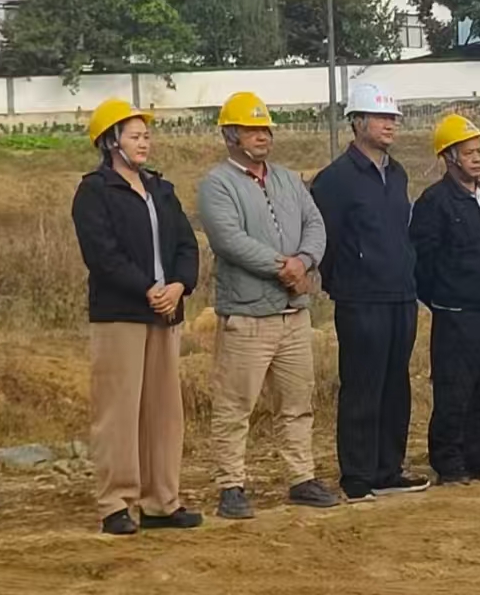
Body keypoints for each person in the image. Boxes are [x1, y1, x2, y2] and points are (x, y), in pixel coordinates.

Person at [194, 91, 340, 520]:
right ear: (230, 135)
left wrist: (306, 261)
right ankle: (231, 486)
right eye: (252, 129)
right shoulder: (218, 184)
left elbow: (315, 223)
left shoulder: (286, 179)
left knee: (297, 402)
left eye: (265, 128)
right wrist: (284, 267)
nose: (262, 136)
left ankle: (301, 478)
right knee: (235, 405)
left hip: (293, 315)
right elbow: (228, 240)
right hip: (248, 314)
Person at [70, 99, 203, 536]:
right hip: (121, 314)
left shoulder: (161, 190)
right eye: (134, 135)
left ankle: (162, 500)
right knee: (119, 411)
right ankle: (116, 503)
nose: (144, 142)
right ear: (111, 141)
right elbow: (102, 255)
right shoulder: (94, 191)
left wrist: (179, 286)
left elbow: (187, 244)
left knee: (164, 411)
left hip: (166, 313)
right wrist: (147, 289)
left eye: (146, 135)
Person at [310, 81, 430, 502]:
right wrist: (342, 282)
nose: (389, 125)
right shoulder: (335, 180)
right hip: (360, 298)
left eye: (393, 117)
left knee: (395, 384)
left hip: (400, 294)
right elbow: (325, 239)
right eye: (381, 117)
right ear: (357, 122)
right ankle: (358, 474)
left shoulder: (396, 174)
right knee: (362, 384)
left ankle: (388, 468)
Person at [410, 113, 480, 485]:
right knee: (455, 387)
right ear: (449, 157)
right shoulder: (434, 202)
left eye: (479, 151)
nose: (477, 158)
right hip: (457, 313)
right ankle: (448, 460)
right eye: (469, 152)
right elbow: (421, 261)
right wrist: (443, 300)